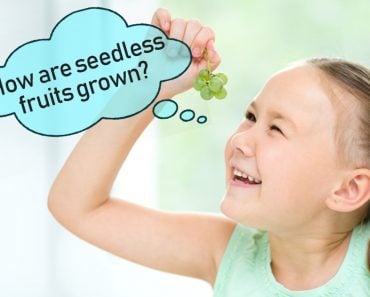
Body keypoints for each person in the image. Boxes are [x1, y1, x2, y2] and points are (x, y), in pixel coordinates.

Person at [48, 8, 370, 296]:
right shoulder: (225, 250)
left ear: (349, 188)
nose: (240, 140)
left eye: (277, 129)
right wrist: (149, 85)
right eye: (251, 117)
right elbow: (77, 207)